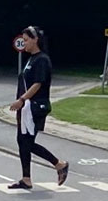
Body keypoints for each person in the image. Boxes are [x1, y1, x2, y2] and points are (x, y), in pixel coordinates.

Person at [7, 25, 69, 190]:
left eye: (26, 40)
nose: (24, 43)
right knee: (22, 141)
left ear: (36, 40)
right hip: (27, 107)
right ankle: (26, 179)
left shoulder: (42, 59)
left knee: (26, 142)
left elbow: (38, 84)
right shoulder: (31, 59)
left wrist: (22, 99)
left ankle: (59, 164)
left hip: (35, 106)